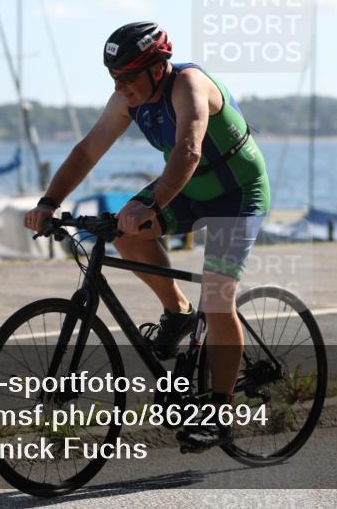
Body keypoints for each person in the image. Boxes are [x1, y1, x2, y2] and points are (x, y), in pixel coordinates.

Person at [23, 22, 269, 452]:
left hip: (237, 193)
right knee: (124, 234)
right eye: (114, 78)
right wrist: (49, 201)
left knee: (217, 299)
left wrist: (150, 205)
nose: (121, 87)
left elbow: (188, 150)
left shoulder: (188, 84)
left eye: (128, 77)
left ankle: (219, 411)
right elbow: (88, 150)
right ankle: (177, 311)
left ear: (158, 68)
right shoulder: (127, 98)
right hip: (190, 189)